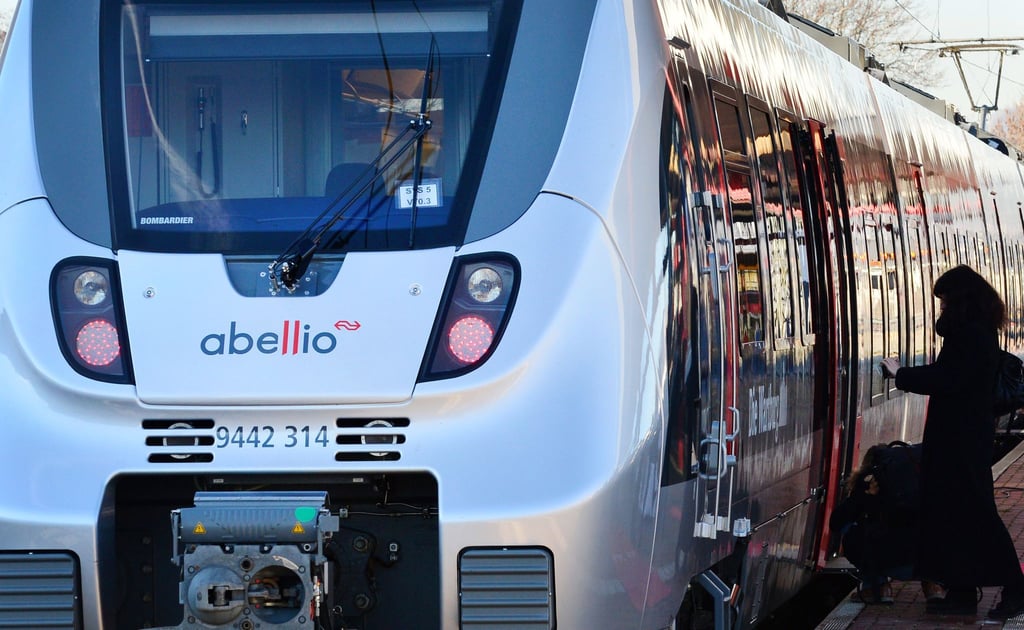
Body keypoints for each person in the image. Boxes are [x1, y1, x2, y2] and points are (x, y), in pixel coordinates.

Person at [880, 264, 1024, 619]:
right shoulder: (973, 332)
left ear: (961, 302)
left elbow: (950, 379)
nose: (941, 309)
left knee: (978, 514)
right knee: (954, 515)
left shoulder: (973, 335)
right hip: (958, 439)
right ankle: (960, 591)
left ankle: (1017, 587)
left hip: (962, 442)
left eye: (944, 303)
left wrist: (901, 374)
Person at [829, 443, 917, 604]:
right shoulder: (913, 483)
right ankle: (934, 587)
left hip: (884, 559)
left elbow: (836, 523)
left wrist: (864, 497)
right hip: (920, 564)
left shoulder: (866, 483)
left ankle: (878, 587)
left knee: (851, 529)